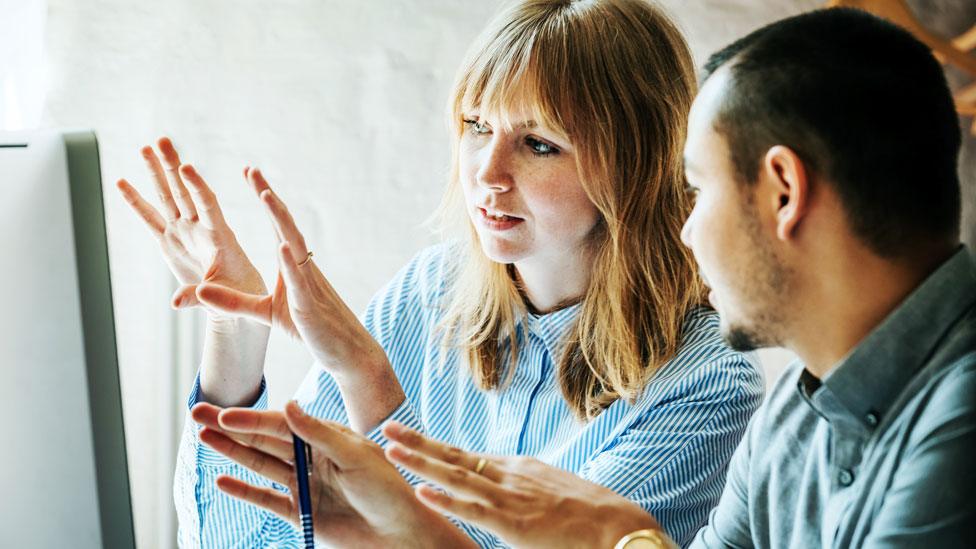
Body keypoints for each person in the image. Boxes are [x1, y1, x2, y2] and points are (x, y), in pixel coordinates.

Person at [186, 6, 976, 549]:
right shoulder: (802, 414)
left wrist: (614, 540)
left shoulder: (950, 414)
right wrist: (239, 334)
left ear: (783, 192)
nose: (687, 225)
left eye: (696, 190)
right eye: (475, 129)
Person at [115, 0, 765, 546]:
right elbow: (245, 540)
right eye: (476, 126)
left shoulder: (707, 381)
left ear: (637, 163)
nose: (486, 172)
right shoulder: (429, 291)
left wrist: (368, 379)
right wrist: (236, 326)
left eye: (539, 143)